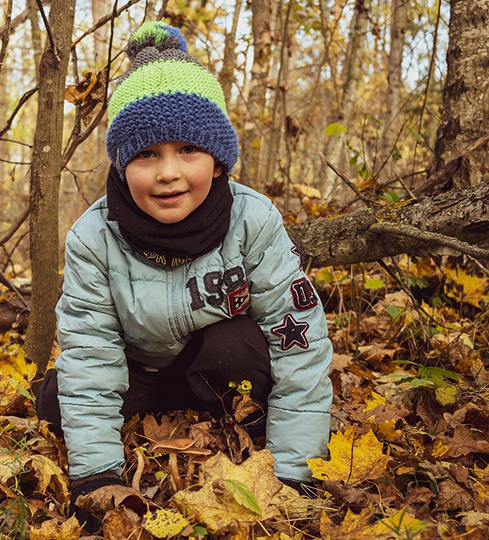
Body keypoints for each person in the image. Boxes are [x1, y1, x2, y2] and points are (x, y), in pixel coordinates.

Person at [34, 22, 332, 527]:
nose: (167, 172)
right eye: (147, 153)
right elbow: (90, 353)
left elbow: (298, 343)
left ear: (217, 161)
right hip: (138, 368)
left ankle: (230, 422)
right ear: (124, 164)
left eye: (187, 150)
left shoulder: (253, 221)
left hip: (218, 367)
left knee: (239, 343)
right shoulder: (94, 237)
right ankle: (135, 422)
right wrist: (96, 477)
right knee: (55, 399)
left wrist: (294, 470)